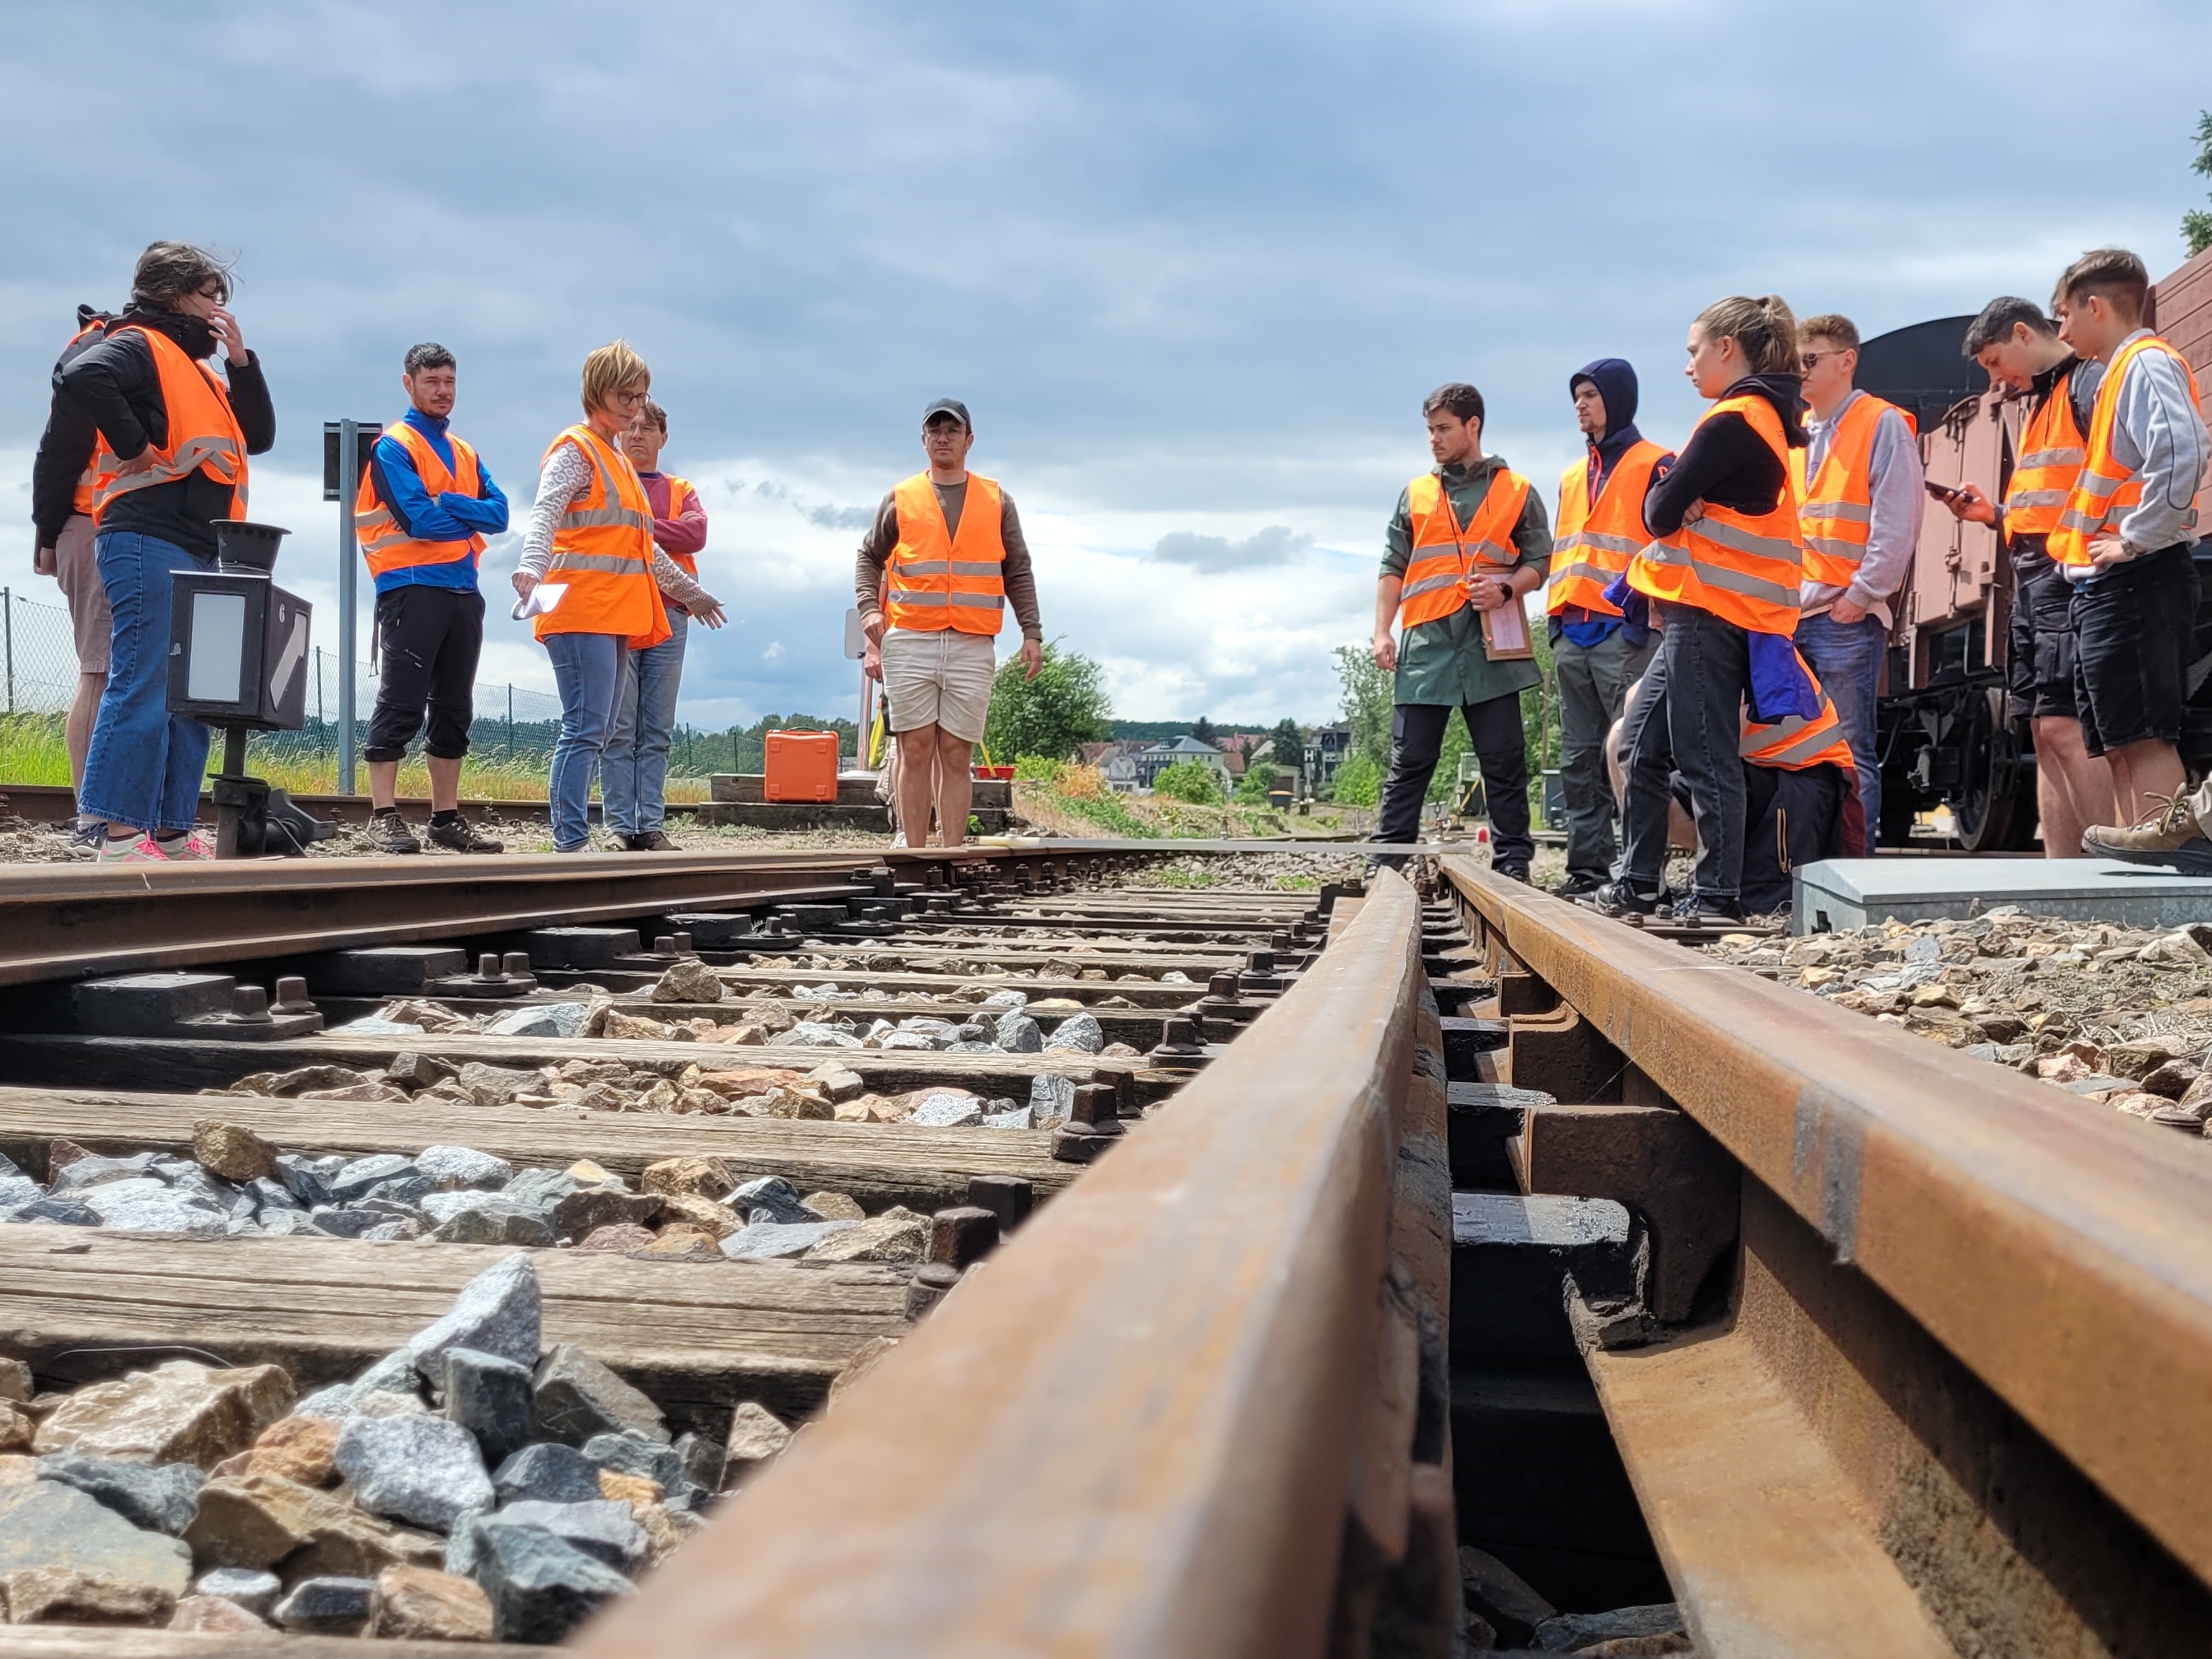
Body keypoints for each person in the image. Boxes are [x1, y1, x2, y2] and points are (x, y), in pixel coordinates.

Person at [54, 242, 275, 864]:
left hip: (197, 542)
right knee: (145, 681)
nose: (217, 309)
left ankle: (172, 831)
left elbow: (257, 436)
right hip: (146, 534)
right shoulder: (141, 342)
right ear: (174, 294)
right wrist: (135, 445)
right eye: (210, 295)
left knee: (189, 694)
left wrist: (240, 361)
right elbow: (81, 375)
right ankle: (118, 834)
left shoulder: (197, 366)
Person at [1606, 296, 1807, 923]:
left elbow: (1658, 513)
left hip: (1712, 608)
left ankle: (1718, 893)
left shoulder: (1734, 421)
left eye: (1694, 350)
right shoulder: (1760, 418)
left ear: (1727, 348)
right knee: (1640, 748)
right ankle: (1639, 879)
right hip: (1705, 610)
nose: (1687, 365)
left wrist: (1672, 491)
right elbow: (1669, 500)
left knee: (1703, 753)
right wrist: (1674, 489)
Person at [2033, 249, 2211, 867]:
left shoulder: (2145, 363)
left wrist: (2134, 537)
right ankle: (2145, 854)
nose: (2060, 332)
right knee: (2119, 733)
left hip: (2139, 573)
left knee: (2141, 730)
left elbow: (2183, 451)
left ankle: (2170, 859)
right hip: (2116, 579)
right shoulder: (2121, 372)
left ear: (2095, 306)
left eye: (2064, 316)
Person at [513, 342, 722, 854]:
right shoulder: (576, 450)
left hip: (614, 613)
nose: (634, 407)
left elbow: (643, 547)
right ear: (596, 392)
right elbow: (545, 512)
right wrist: (531, 565)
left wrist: (691, 594)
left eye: (641, 396)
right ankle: (570, 840)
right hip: (582, 608)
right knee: (586, 726)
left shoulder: (617, 461)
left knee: (599, 727)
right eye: (625, 396)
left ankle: (574, 838)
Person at [1942, 296, 2113, 856]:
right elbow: (2052, 498)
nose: (1995, 378)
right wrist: (1994, 514)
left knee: (2066, 725)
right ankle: (2063, 874)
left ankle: (2112, 867)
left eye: (1994, 361)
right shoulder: (2045, 399)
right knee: (2044, 731)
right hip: (2037, 574)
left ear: (2022, 333)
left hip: (2066, 574)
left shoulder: (2084, 387)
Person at [1372, 383, 1552, 878]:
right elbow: (1393, 565)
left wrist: (1508, 590)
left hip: (1493, 645)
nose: (1434, 439)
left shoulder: (1516, 490)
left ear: (1473, 426)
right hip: (1427, 646)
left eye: (1443, 429)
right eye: (1430, 430)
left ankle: (1514, 863)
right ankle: (1386, 864)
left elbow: (1541, 560)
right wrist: (1382, 632)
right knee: (1409, 763)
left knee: (1504, 763)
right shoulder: (1415, 493)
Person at [855, 399, 1043, 849]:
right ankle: (915, 855)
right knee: (915, 749)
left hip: (972, 642)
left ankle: (951, 855)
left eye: (952, 431)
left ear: (968, 440)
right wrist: (868, 610)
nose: (943, 437)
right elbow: (869, 557)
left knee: (956, 753)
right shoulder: (901, 498)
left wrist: (1031, 632)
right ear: (923, 440)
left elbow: (1018, 568)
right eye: (934, 430)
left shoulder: (997, 500)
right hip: (911, 637)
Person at [353, 343, 511, 855]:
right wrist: (467, 515)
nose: (443, 391)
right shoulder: (392, 447)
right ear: (409, 384)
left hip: (463, 590)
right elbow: (417, 519)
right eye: (432, 382)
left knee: (454, 706)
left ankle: (445, 818)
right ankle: (383, 814)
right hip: (410, 586)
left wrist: (451, 503)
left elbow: (502, 514)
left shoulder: (465, 451)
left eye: (449, 381)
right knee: (401, 700)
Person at [1792, 314, 1925, 845]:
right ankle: (1806, 868)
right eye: (1795, 361)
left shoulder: (1881, 422)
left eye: (1810, 359)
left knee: (1850, 749)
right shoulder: (1796, 431)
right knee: (1799, 749)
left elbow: (1899, 518)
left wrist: (1862, 596)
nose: (1799, 371)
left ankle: (1850, 869)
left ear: (1847, 360)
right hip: (1792, 613)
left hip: (1843, 616)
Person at [1546, 358, 1665, 894]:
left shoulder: (1657, 462)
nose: (1580, 405)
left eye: (1590, 395)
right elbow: (1565, 552)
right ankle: (1587, 872)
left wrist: (1641, 627)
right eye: (1576, 396)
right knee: (1577, 761)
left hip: (1624, 632)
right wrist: (1555, 627)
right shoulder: (1572, 477)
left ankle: (1636, 872)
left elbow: (1666, 548)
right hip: (1573, 633)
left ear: (1617, 398)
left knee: (1629, 754)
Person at [603, 398, 715, 850]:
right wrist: (659, 526)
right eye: (630, 426)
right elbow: (620, 529)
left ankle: (649, 825)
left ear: (662, 437)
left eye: (647, 428)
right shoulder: (611, 482)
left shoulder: (679, 486)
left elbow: (698, 535)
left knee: (657, 728)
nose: (637, 435)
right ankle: (617, 825)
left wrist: (642, 525)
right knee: (619, 726)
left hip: (670, 611)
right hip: (620, 609)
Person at [30, 305, 118, 841]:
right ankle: (93, 814)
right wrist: (47, 536)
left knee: (110, 671)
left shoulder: (94, 350)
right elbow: (58, 454)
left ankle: (104, 810)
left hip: (103, 522)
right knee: (100, 669)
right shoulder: (101, 354)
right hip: (95, 521)